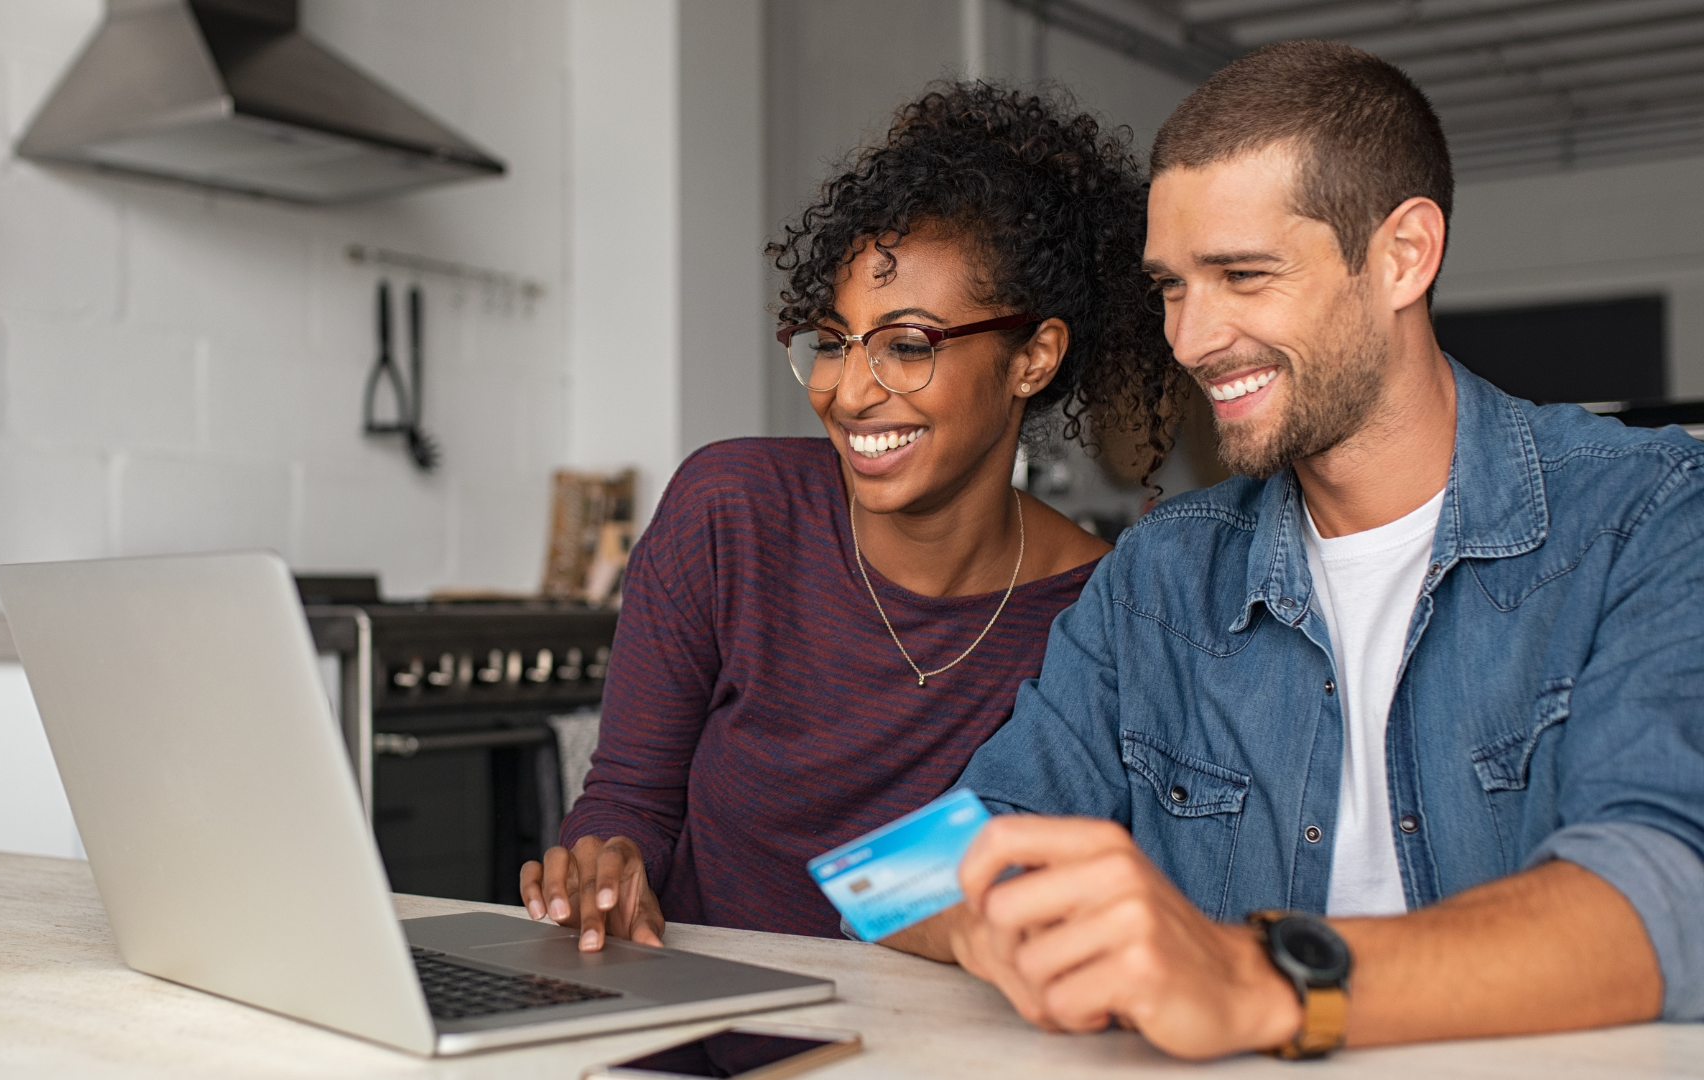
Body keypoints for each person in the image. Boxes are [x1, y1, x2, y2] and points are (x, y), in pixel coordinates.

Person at [889, 40, 1704, 1059]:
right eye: (1173, 287)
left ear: (1403, 254)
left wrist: (1253, 975)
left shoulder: (1653, 511)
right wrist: (1009, 922)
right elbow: (904, 876)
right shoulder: (1157, 577)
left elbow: (1667, 896)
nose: (1189, 340)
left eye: (1241, 274)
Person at [520, 83, 1180, 948]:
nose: (850, 391)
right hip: (679, 1041)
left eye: (908, 346)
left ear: (1034, 358)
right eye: (834, 341)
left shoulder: (1099, 615)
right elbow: (627, 800)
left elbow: (980, 882)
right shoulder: (730, 513)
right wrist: (602, 869)